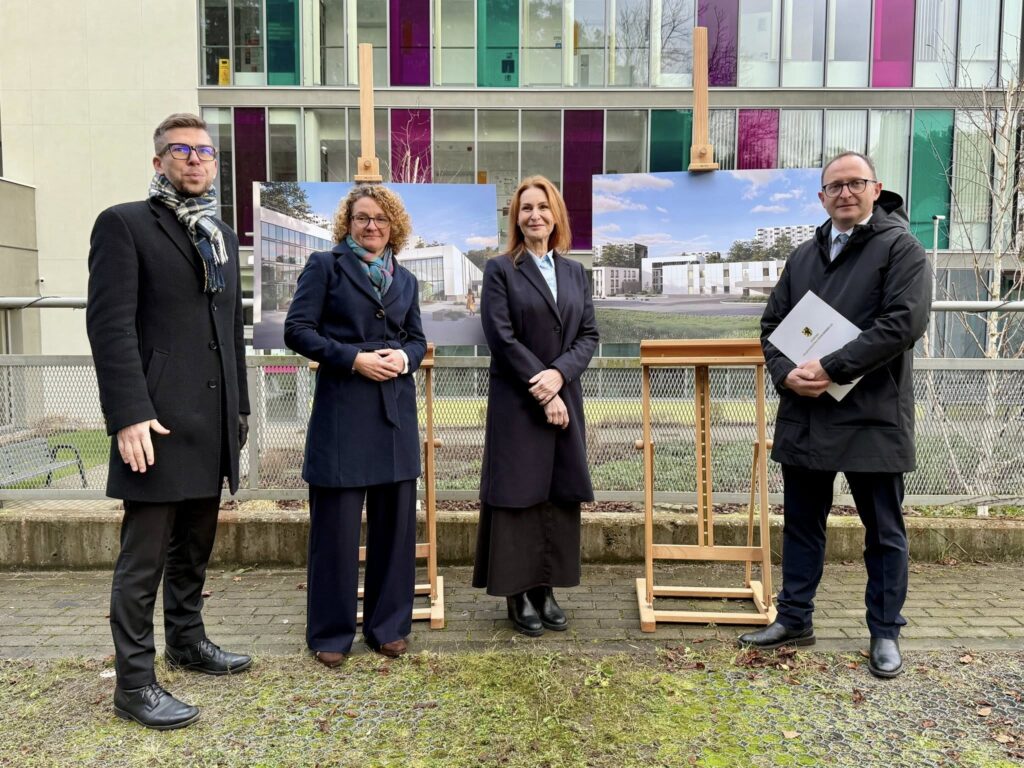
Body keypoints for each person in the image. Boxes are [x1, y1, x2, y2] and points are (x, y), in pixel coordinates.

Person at [86, 113, 252, 730]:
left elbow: (228, 330)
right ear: (159, 162)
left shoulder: (221, 235)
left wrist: (239, 409)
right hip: (153, 423)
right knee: (144, 558)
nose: (195, 160)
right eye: (181, 151)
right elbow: (109, 327)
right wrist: (128, 414)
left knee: (195, 546)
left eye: (205, 152)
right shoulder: (125, 224)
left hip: (209, 421)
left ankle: (188, 640)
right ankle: (134, 682)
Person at [738, 152, 931, 679]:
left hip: (873, 414)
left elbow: (903, 325)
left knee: (883, 530)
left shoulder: (902, 249)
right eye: (834, 186)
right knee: (802, 525)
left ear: (876, 187)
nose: (845, 193)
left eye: (855, 183)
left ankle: (885, 631)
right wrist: (785, 373)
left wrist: (829, 366)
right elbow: (772, 324)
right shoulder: (803, 255)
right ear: (821, 197)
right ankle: (795, 619)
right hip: (806, 412)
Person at [284, 185, 426, 667]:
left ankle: (388, 626)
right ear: (348, 223)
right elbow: (298, 330)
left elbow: (417, 340)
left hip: (394, 416)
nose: (372, 227)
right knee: (336, 532)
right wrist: (354, 359)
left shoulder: (405, 279)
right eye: (362, 218)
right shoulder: (324, 267)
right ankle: (330, 632)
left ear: (394, 227)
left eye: (381, 220)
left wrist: (403, 359)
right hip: (342, 415)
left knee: (395, 530)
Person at [473, 176, 599, 636]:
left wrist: (560, 376)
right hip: (517, 401)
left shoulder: (575, 273)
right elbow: (500, 337)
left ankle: (546, 587)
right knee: (518, 495)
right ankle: (516, 593)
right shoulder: (500, 269)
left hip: (564, 396)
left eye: (542, 207)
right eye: (525, 208)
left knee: (557, 493)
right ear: (515, 218)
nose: (534, 216)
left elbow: (588, 336)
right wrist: (544, 388)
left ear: (556, 214)